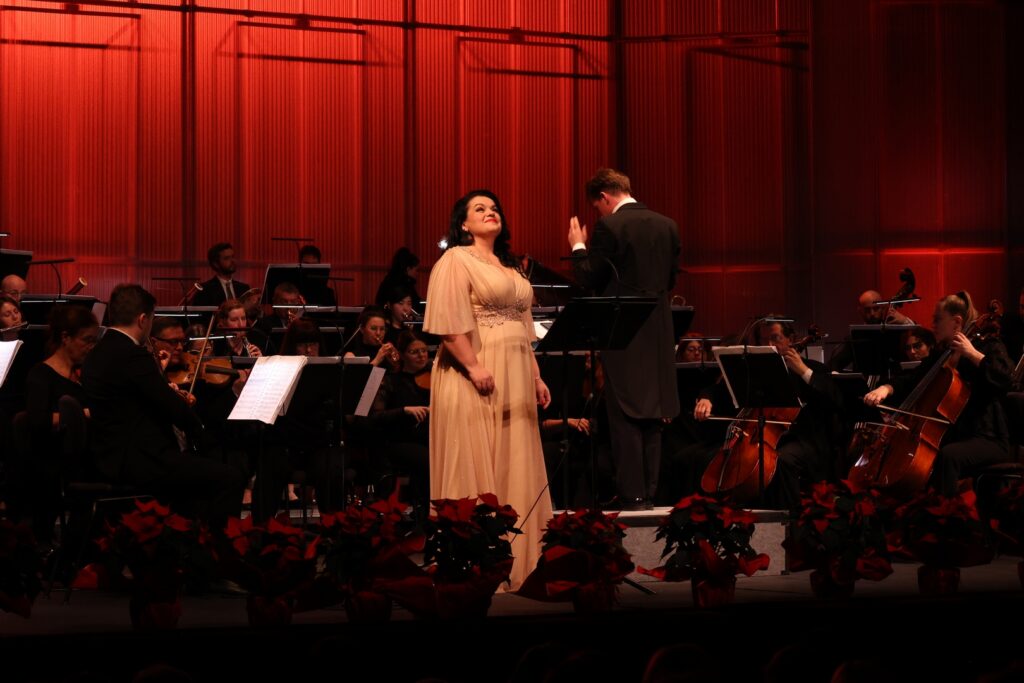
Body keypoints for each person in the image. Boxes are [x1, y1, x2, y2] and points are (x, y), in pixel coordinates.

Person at [424, 190, 552, 590]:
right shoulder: (456, 259)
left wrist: (535, 376)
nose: (490, 212)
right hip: (475, 369)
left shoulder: (511, 266)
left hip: (516, 373)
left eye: (494, 208)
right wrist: (473, 365)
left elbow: (525, 330)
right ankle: (477, 567)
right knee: (478, 459)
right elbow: (448, 323)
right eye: (479, 209)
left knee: (516, 457)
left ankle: (523, 564)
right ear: (463, 224)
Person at [81, 284, 245, 526]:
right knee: (230, 478)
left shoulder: (96, 353)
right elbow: (171, 407)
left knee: (200, 481)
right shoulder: (132, 355)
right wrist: (201, 433)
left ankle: (184, 537)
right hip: (141, 460)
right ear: (143, 319)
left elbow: (139, 400)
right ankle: (213, 544)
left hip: (110, 456)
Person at [568, 168, 680, 510]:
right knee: (652, 414)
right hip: (659, 331)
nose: (597, 213)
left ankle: (633, 495)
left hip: (624, 331)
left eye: (596, 207)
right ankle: (649, 492)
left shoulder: (610, 226)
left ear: (604, 197)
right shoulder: (668, 225)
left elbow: (589, 277)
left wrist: (577, 245)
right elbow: (670, 281)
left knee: (625, 414)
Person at [863, 291, 1013, 495]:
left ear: (956, 322)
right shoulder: (942, 354)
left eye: (937, 320)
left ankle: (948, 511)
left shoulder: (988, 345)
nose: (932, 324)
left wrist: (972, 354)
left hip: (987, 437)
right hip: (954, 435)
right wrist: (886, 388)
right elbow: (913, 379)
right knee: (929, 455)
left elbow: (1006, 378)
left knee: (948, 455)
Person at [695, 319, 845, 510]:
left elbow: (835, 398)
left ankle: (789, 516)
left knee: (783, 460)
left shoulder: (815, 368)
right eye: (764, 340)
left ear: (790, 339)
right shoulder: (758, 368)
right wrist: (706, 399)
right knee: (699, 456)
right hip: (762, 436)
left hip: (804, 439)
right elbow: (719, 389)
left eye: (775, 338)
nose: (769, 345)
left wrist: (803, 371)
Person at [19, 306, 99, 545]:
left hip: (86, 455)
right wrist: (81, 414)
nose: (92, 346)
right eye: (87, 340)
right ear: (66, 338)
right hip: (56, 460)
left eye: (94, 340)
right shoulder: (41, 375)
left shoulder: (84, 374)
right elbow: (39, 421)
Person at [192, 242, 251, 307]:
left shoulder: (244, 288)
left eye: (233, 257)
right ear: (216, 264)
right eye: (227, 258)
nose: (232, 261)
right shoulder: (205, 290)